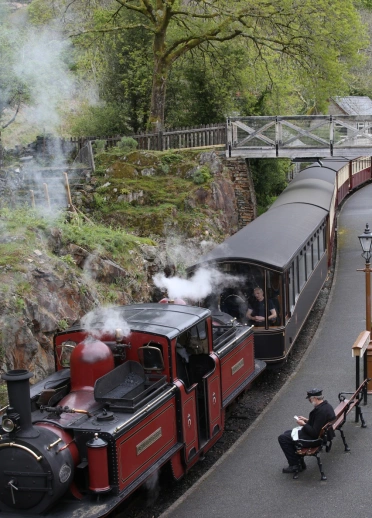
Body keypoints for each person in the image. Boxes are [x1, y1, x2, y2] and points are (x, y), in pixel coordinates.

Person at [278, 388, 336, 473]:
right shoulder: (327, 406)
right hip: (323, 435)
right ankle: (299, 463)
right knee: (287, 433)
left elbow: (314, 433)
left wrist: (303, 424)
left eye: (310, 399)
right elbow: (318, 424)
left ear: (315, 398)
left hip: (316, 439)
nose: (309, 401)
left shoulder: (320, 411)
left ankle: (295, 465)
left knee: (283, 438)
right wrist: (306, 420)